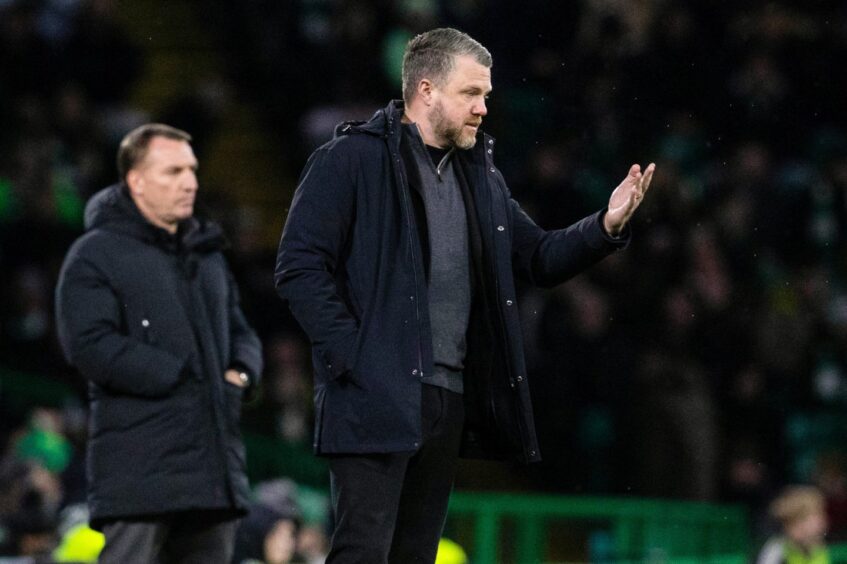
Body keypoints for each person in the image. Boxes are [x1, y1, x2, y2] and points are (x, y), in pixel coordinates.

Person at [275, 28, 654, 563]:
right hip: (371, 394)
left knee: (415, 556)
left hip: (446, 398)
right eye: (471, 94)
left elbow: (539, 258)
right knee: (363, 554)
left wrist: (605, 225)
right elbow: (298, 267)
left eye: (486, 96)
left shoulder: (481, 177)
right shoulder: (350, 159)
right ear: (426, 90)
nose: (482, 108)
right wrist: (356, 358)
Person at [55, 123, 263, 563]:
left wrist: (239, 375)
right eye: (173, 171)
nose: (190, 181)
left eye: (191, 169)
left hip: (214, 473)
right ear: (137, 180)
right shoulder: (95, 254)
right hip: (139, 477)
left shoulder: (206, 255)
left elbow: (241, 331)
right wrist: (180, 375)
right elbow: (89, 344)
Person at [757, 485, 830, 564]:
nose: (821, 520)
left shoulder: (820, 546)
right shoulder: (776, 550)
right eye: (816, 515)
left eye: (821, 514)